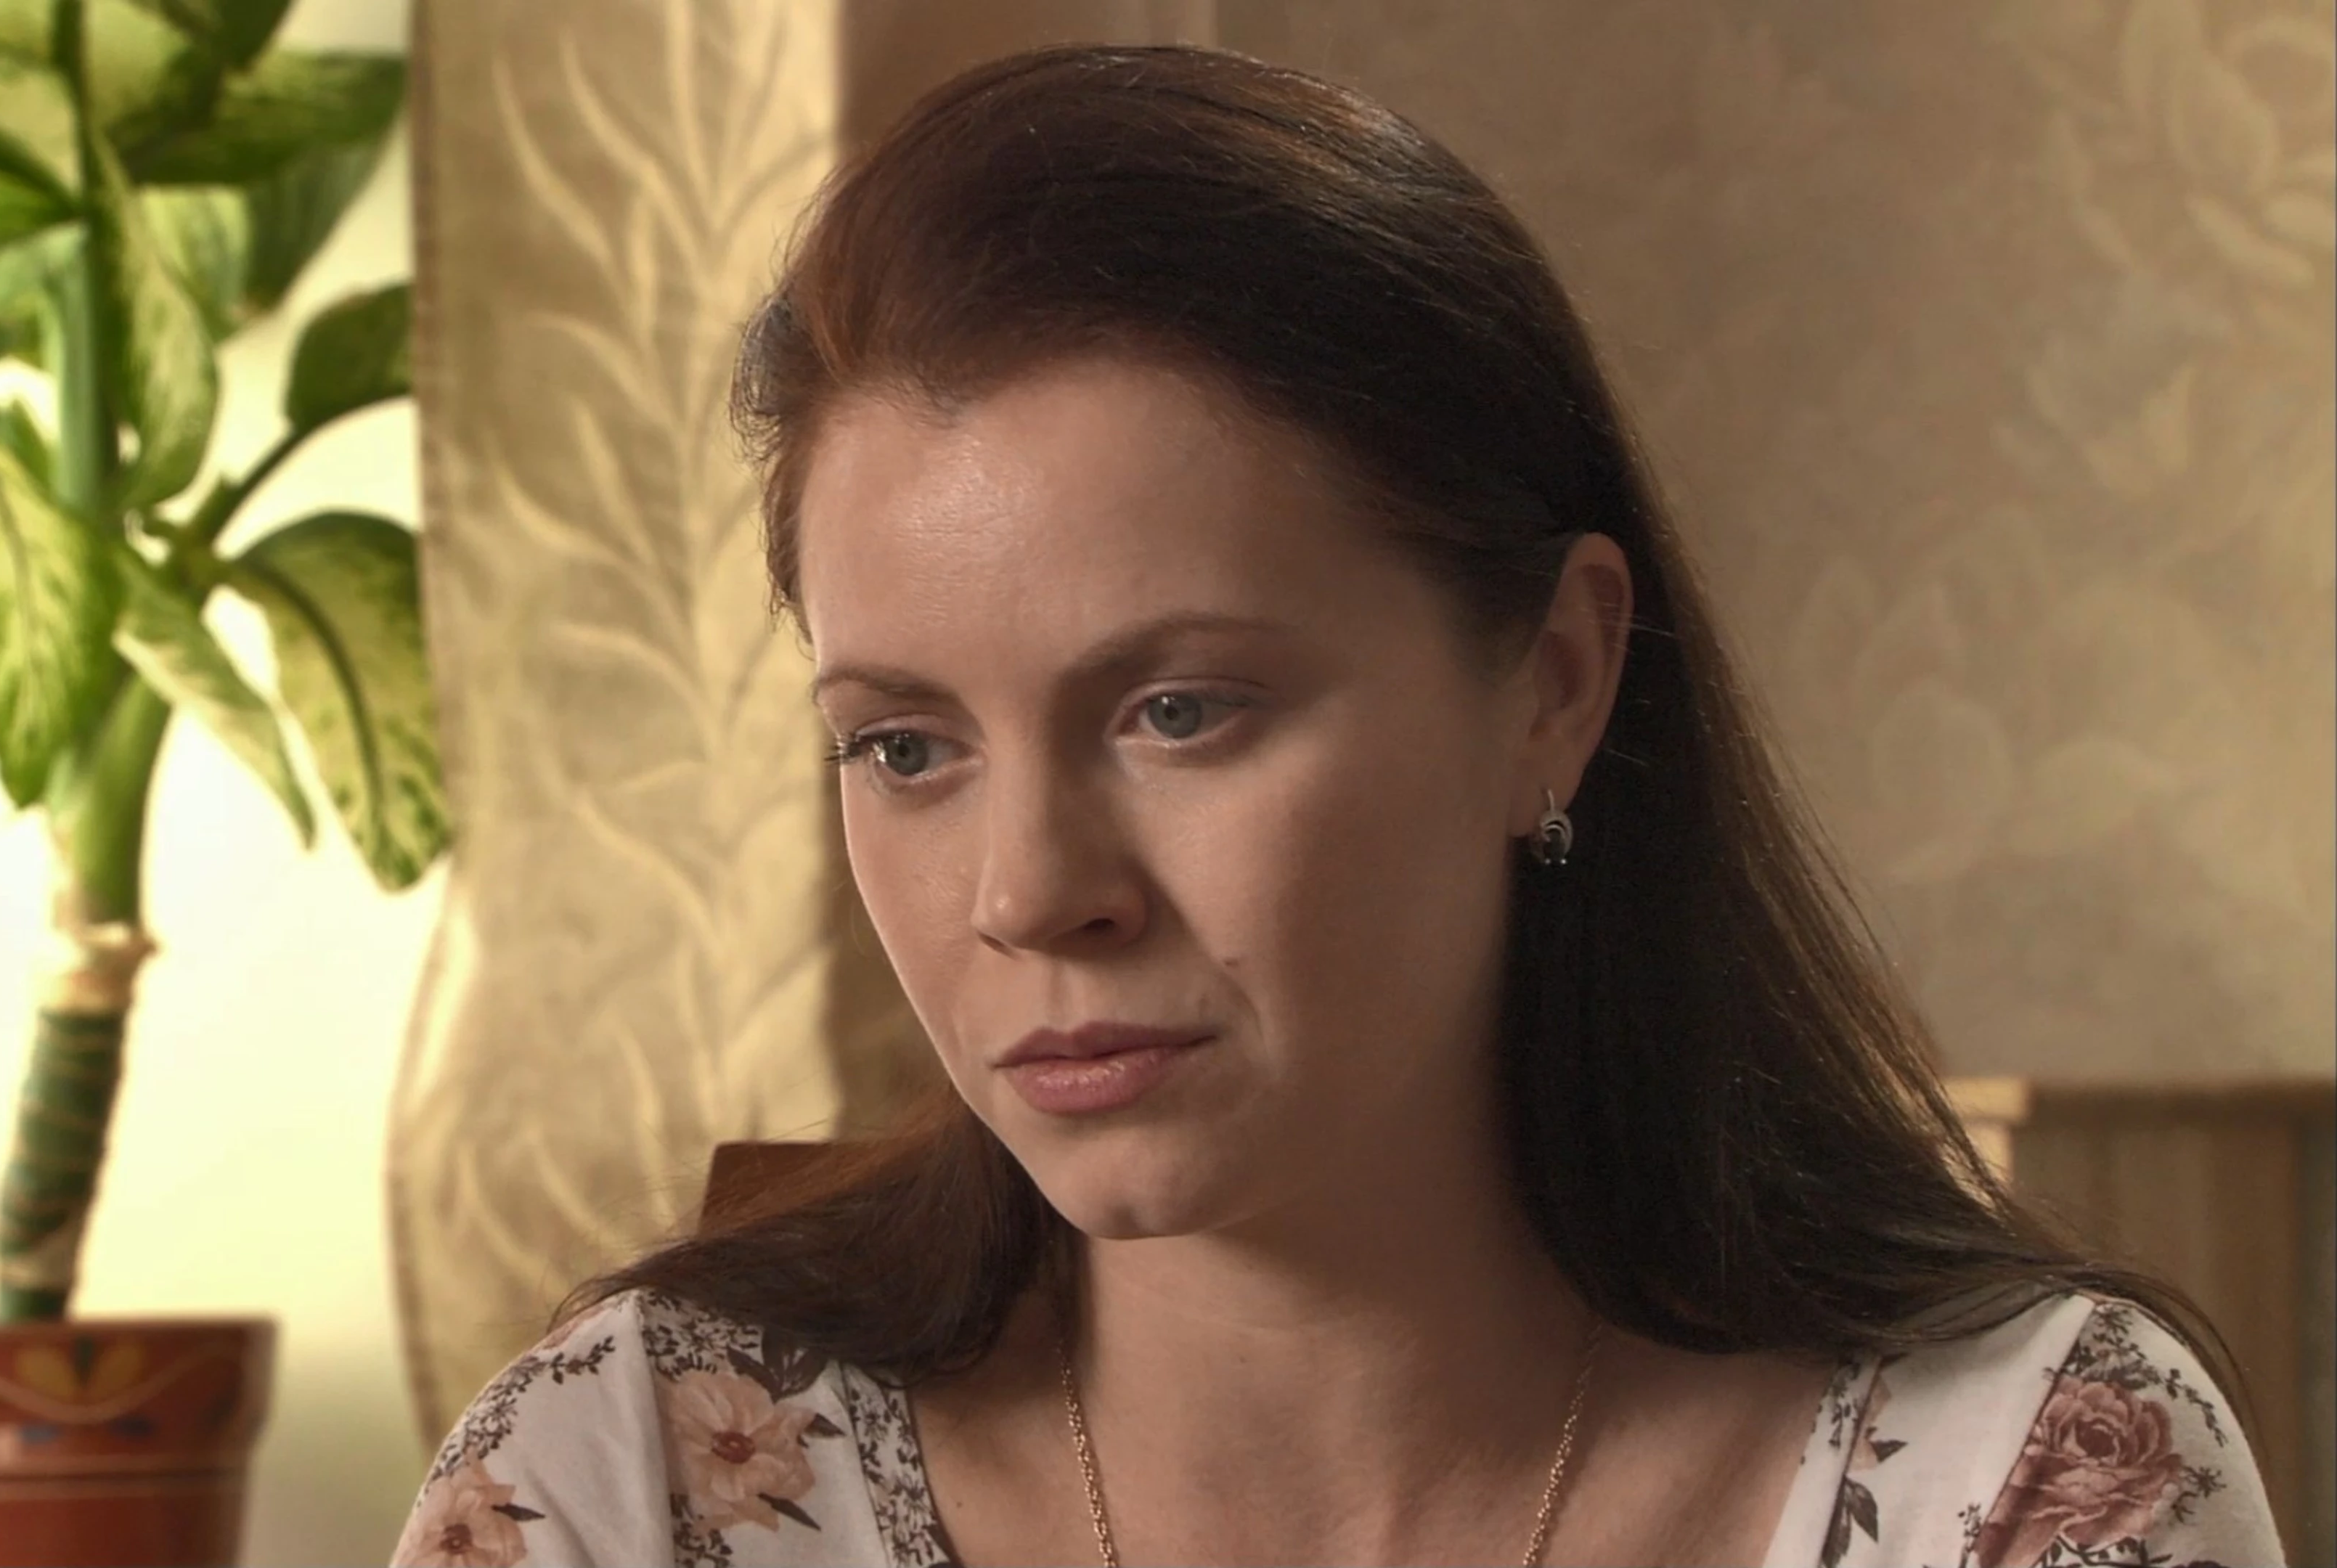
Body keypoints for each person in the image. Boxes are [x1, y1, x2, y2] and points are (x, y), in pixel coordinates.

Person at [392, 44, 2285, 1568]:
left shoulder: (2031, 1483)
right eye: (906, 747)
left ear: (1554, 684)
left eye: (1180, 711)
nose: (1030, 893)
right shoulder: (629, 1481)